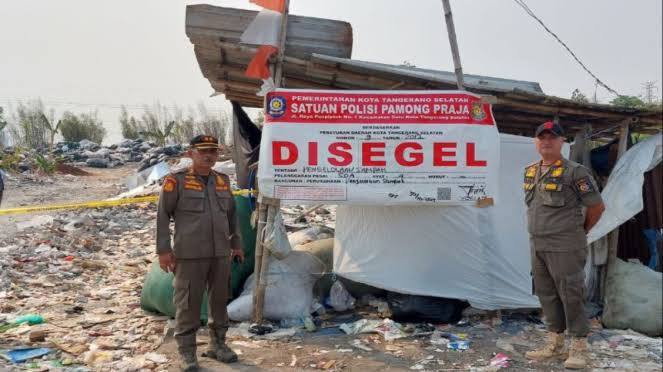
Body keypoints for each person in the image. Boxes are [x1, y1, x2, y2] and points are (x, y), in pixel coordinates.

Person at [156, 135, 244, 372]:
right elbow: (163, 216)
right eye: (203, 151)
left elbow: (232, 216)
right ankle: (187, 353)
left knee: (219, 301)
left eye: (213, 151)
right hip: (190, 254)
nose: (208, 156)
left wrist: (237, 244)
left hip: (220, 253)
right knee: (188, 304)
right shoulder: (177, 181)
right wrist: (164, 250)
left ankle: (218, 345)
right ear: (190, 153)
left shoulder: (223, 181)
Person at [523, 121, 605, 369]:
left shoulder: (575, 172)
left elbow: (597, 206)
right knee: (547, 294)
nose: (546, 142)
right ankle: (555, 345)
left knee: (571, 294)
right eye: (542, 137)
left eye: (552, 137)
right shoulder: (530, 170)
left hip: (566, 244)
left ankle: (579, 347)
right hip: (538, 244)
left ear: (562, 142)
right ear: (536, 141)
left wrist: (580, 232)